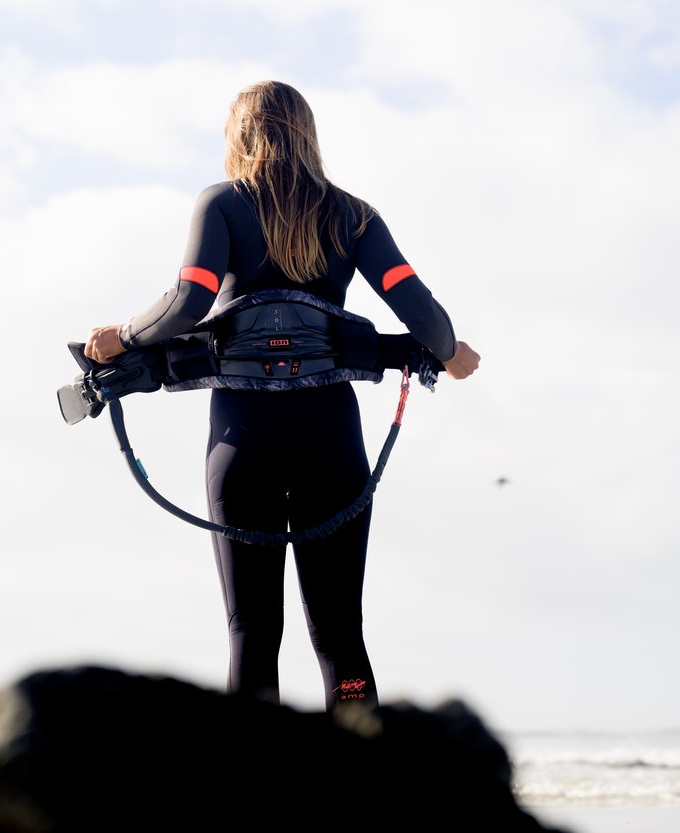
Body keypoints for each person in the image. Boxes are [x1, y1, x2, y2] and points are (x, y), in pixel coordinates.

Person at [84, 80, 479, 715]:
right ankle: (363, 762)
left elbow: (187, 302)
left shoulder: (222, 204)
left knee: (252, 631)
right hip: (331, 439)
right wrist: (451, 351)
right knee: (341, 632)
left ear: (240, 137)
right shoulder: (355, 216)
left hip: (243, 441)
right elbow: (425, 317)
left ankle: (256, 771)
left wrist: (122, 336)